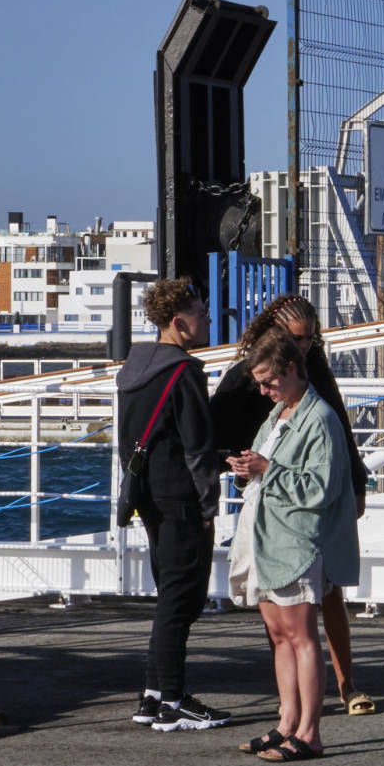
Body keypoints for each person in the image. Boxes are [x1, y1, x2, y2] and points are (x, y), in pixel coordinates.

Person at [211, 295, 375, 717]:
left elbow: (338, 421)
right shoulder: (253, 373)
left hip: (306, 493)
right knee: (283, 614)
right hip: (272, 497)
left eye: (310, 339)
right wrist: (240, 462)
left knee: (330, 591)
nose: (304, 346)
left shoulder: (309, 369)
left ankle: (344, 685)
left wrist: (357, 483)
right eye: (296, 339)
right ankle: (293, 702)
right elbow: (220, 423)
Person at [225, 327, 358, 761]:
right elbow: (271, 468)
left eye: (268, 380)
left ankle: (310, 732)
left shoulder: (319, 418)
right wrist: (249, 467)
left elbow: (321, 487)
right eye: (259, 383)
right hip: (268, 536)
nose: (264, 391)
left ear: (292, 368)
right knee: (280, 635)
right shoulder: (280, 412)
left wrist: (266, 468)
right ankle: (287, 723)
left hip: (298, 540)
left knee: (301, 637)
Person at [117, 279, 231, 732]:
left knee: (170, 595)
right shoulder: (184, 372)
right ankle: (174, 698)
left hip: (148, 494)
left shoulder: (132, 368)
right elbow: (198, 447)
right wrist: (210, 502)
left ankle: (152, 693)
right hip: (181, 497)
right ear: (179, 323)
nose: (207, 319)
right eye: (201, 313)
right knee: (182, 599)